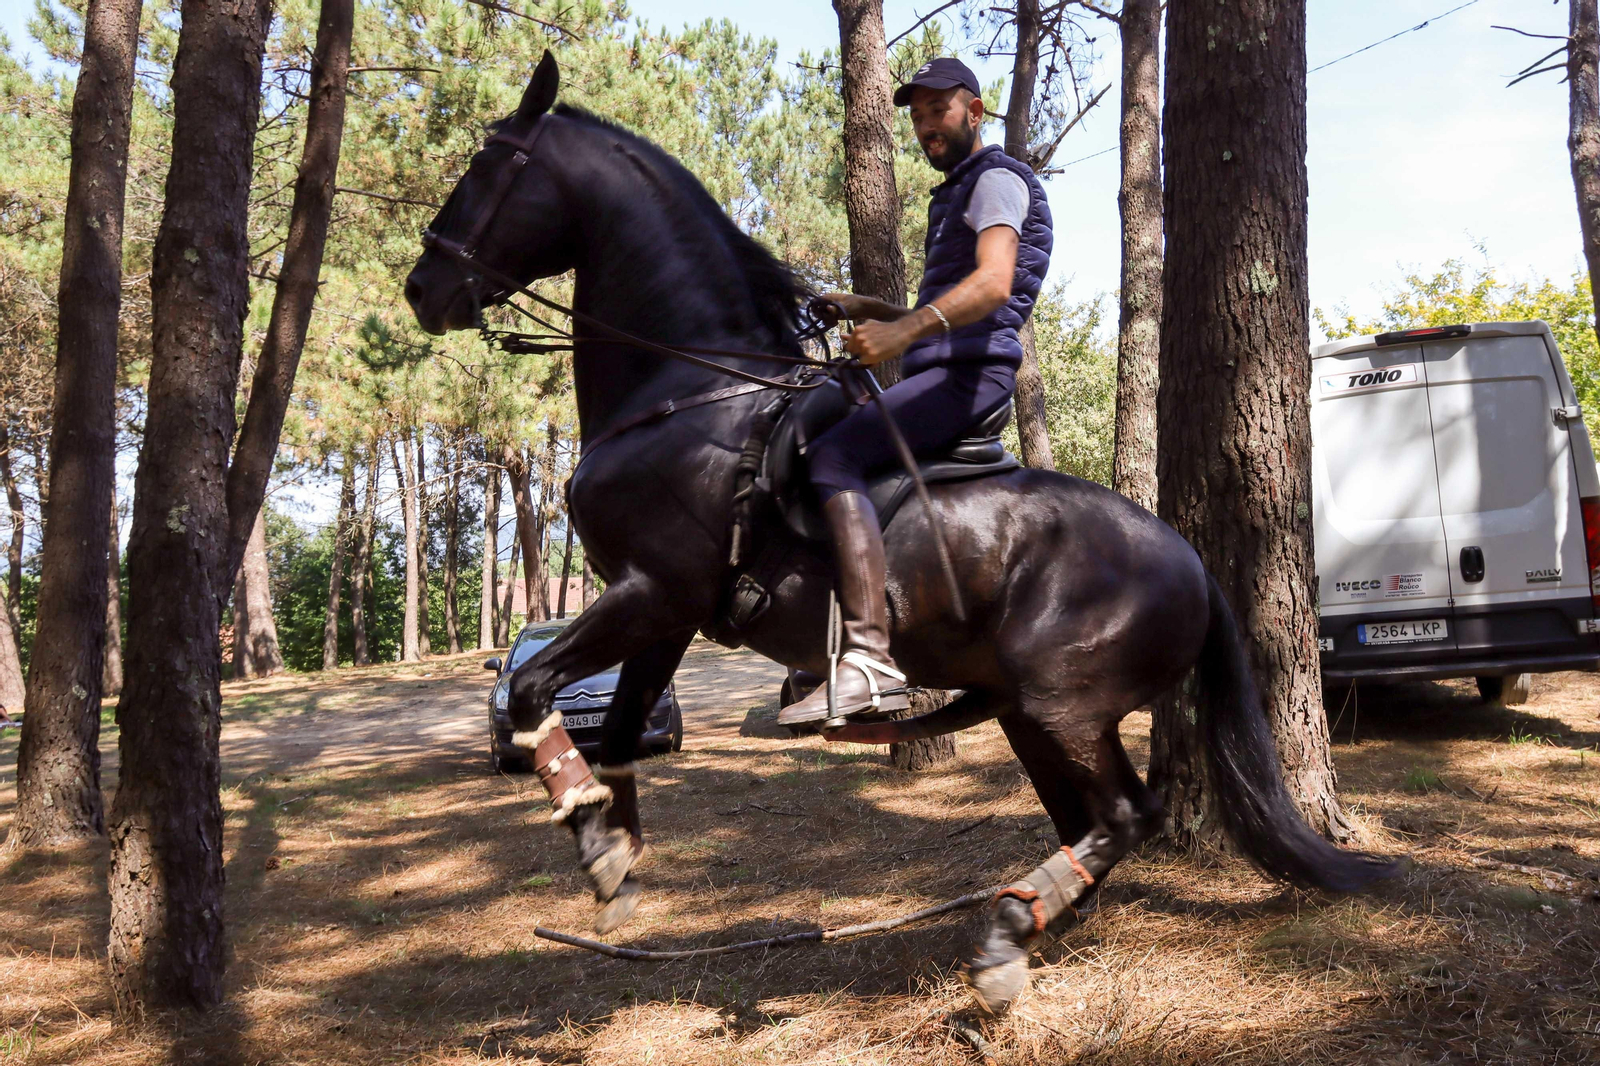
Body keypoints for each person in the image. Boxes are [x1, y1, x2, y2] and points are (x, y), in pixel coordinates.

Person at [782, 56, 1054, 727]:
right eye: (917, 116)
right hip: (947, 368)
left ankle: (870, 661)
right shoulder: (958, 192)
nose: (927, 125)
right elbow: (947, 306)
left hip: (970, 377)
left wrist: (902, 331)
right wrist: (870, 308)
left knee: (834, 456)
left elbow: (993, 283)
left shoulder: (995, 180)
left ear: (975, 112)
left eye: (939, 110)